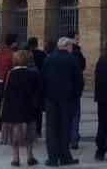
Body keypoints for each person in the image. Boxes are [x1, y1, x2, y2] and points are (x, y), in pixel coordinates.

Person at [41, 37, 84, 167]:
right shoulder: (73, 60)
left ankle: (53, 158)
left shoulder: (49, 59)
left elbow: (42, 79)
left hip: (51, 98)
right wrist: (77, 94)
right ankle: (65, 157)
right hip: (68, 98)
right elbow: (79, 80)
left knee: (52, 128)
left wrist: (44, 95)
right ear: (69, 46)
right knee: (65, 127)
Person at [1, 50, 40, 167]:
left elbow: (4, 91)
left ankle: (16, 158)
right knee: (28, 133)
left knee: (14, 135)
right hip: (27, 108)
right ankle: (30, 157)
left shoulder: (9, 74)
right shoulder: (32, 74)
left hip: (11, 109)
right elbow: (36, 91)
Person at [67, 30, 86, 150]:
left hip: (62, 90)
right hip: (73, 89)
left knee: (65, 115)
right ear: (71, 39)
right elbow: (81, 68)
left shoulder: (57, 53)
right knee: (74, 115)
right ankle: (74, 139)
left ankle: (67, 137)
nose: (78, 40)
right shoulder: (76, 52)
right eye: (77, 38)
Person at [0, 34, 20, 129]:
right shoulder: (12, 54)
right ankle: (8, 122)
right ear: (13, 43)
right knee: (9, 102)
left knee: (1, 102)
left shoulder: (0, 52)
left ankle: (0, 123)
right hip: (8, 80)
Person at [26, 36, 48, 136]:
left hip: (27, 83)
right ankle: (38, 130)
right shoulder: (42, 54)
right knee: (38, 108)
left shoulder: (25, 54)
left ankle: (28, 129)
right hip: (39, 83)